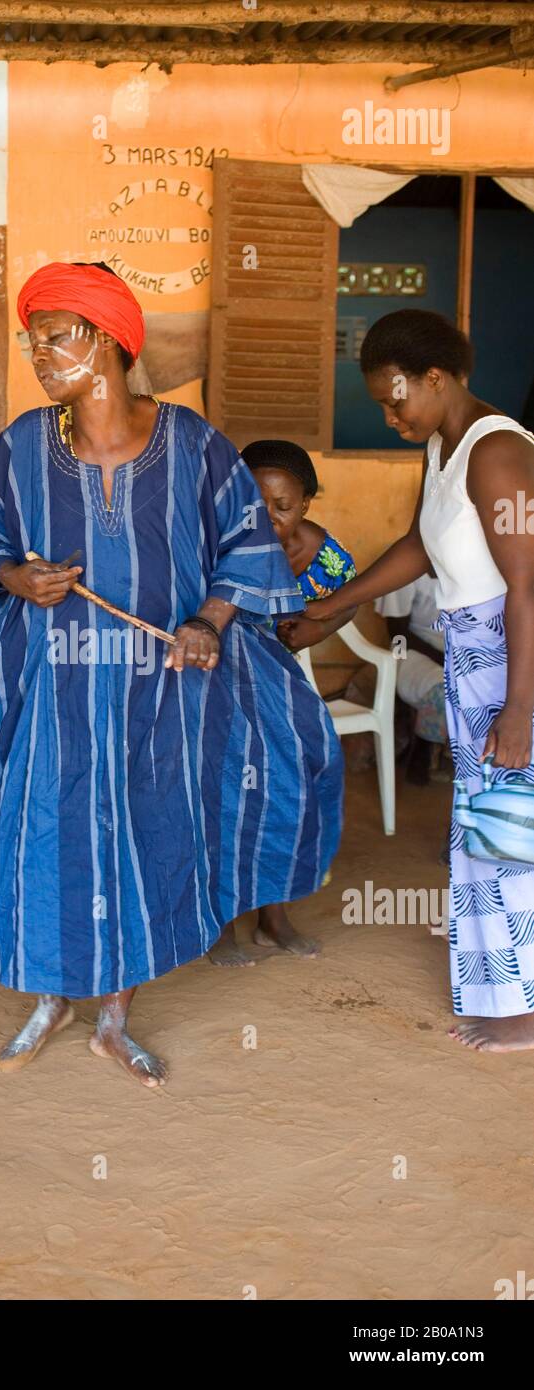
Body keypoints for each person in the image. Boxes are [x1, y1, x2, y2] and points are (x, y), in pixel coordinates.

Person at [0, 261, 344, 1087]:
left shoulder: (194, 445)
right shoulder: (20, 447)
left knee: (143, 837)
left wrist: (207, 622)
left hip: (161, 694)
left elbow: (244, 548)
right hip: (49, 688)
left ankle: (113, 1018)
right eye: (32, 340)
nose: (40, 355)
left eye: (57, 336)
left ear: (108, 339)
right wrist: (13, 579)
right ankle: (51, 997)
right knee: (43, 830)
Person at [302, 308, 534, 1053]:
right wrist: (331, 607)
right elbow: (419, 547)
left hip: (510, 653)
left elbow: (528, 586)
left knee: (511, 834)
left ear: (435, 378)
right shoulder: (443, 447)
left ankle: (524, 1011)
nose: (388, 413)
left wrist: (519, 708)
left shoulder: (496, 449)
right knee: (484, 829)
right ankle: (502, 992)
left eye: (394, 396)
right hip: (474, 657)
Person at [210, 439, 356, 964]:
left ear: (306, 506)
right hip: (214, 686)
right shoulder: (215, 542)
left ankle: (273, 917)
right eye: (255, 503)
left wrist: (318, 628)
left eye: (283, 507)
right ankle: (219, 923)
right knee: (223, 794)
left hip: (277, 691)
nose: (267, 518)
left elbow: (349, 601)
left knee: (290, 791)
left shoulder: (322, 556)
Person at [375, 576, 447, 786]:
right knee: (445, 688)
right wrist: (446, 659)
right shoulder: (406, 573)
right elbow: (397, 634)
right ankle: (422, 752)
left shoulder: (469, 563)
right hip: (407, 651)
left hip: (459, 651)